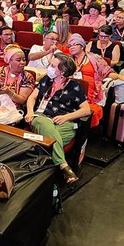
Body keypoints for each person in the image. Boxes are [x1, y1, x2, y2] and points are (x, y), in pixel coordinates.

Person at [25, 54, 91, 184]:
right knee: (42, 123)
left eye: (53, 66)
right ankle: (63, 166)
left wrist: (66, 117)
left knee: (47, 141)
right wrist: (30, 112)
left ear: (62, 72)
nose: (49, 68)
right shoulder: (46, 80)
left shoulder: (74, 86)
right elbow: (32, 98)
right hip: (41, 117)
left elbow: (86, 110)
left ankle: (41, 174)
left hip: (63, 122)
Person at [66, 34, 124, 126]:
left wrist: (120, 77)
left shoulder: (95, 58)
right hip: (71, 88)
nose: (71, 47)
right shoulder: (67, 60)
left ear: (82, 46)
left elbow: (107, 73)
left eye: (74, 44)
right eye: (70, 46)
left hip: (90, 90)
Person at [0, 44, 35, 114]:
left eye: (24, 60)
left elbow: (22, 100)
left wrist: (9, 92)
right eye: (18, 60)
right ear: (9, 61)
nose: (22, 63)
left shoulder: (27, 77)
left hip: (12, 110)